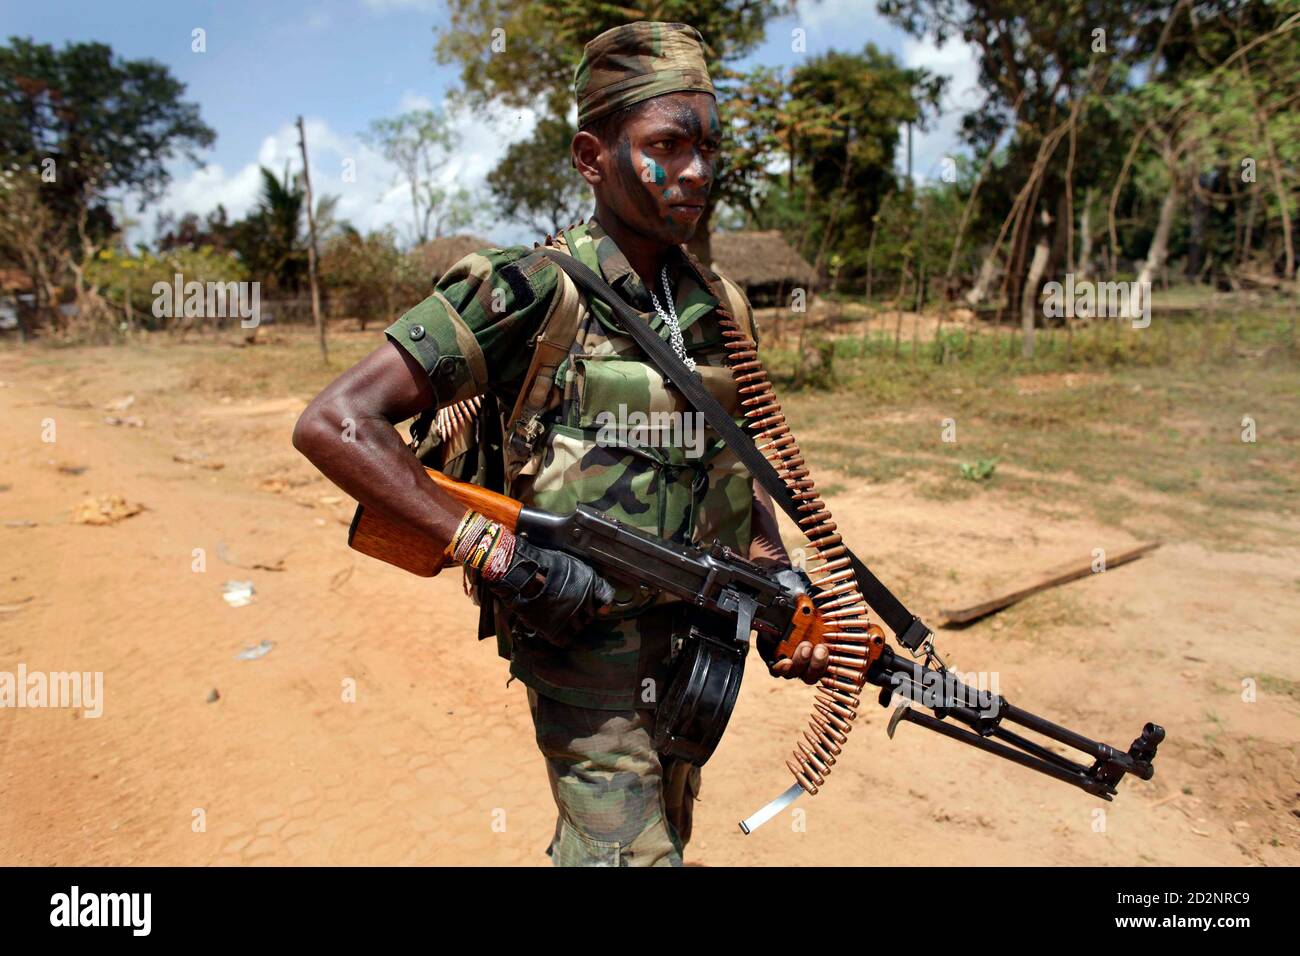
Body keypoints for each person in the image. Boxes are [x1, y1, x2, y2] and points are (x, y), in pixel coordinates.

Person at [293, 20, 829, 867]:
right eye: (666, 146)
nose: (695, 171)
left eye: (709, 147)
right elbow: (335, 422)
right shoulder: (530, 289)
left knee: (661, 830)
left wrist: (774, 577)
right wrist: (494, 554)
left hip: (697, 649)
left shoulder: (716, 300)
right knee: (630, 855)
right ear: (592, 157)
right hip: (585, 648)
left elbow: (728, 459)